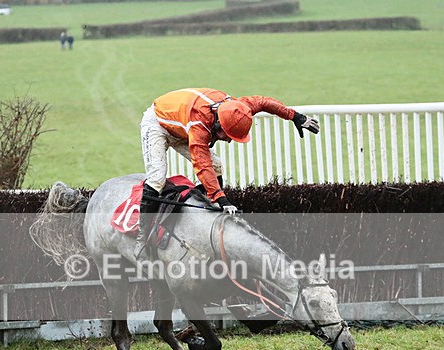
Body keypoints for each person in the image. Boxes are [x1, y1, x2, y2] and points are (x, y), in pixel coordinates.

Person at [136, 88, 319, 259]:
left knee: (217, 165)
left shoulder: (238, 108)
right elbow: (202, 164)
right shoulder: (199, 123)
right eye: (227, 136)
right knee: (157, 178)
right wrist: (221, 199)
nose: (229, 142)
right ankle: (142, 239)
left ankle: (208, 217)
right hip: (158, 125)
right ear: (218, 124)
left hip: (181, 124)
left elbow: (264, 102)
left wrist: (295, 116)